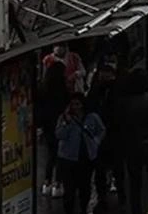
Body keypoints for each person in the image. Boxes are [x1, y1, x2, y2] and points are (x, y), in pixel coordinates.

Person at [113, 69, 148, 214]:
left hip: (131, 146)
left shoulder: (123, 103)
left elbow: (119, 124)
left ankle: (136, 209)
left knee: (134, 183)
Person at [55, 92, 106, 214]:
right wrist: (67, 123)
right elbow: (59, 135)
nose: (75, 107)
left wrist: (96, 142)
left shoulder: (92, 117)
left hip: (86, 159)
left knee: (85, 188)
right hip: (68, 159)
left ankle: (83, 209)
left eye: (77, 104)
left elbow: (102, 130)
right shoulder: (64, 118)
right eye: (72, 104)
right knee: (69, 191)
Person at [86, 63, 122, 212]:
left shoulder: (101, 92)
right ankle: (106, 197)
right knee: (106, 169)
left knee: (107, 168)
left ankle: (106, 197)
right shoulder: (102, 92)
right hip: (104, 137)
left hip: (107, 136)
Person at [38, 61, 70, 198]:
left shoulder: (44, 89)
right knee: (60, 155)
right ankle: (58, 183)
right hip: (60, 125)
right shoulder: (62, 89)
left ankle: (47, 182)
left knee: (50, 154)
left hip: (47, 126)